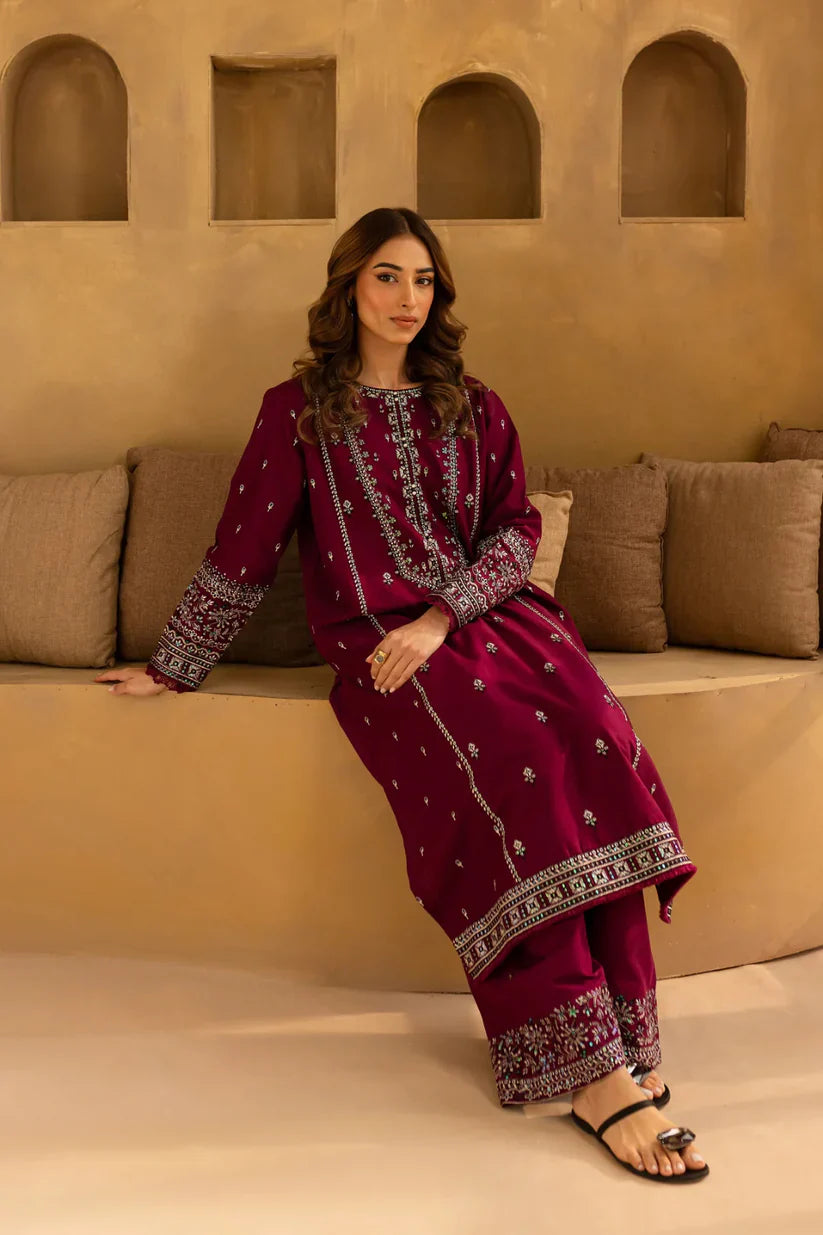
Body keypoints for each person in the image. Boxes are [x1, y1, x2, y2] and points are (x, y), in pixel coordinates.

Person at [96, 206, 708, 1183]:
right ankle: (586, 1071)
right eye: (387, 277)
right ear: (347, 288)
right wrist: (173, 665)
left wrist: (445, 615)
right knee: (512, 761)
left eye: (424, 281)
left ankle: (626, 1030)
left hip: (485, 624)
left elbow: (513, 533)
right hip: (378, 648)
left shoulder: (475, 406)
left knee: (592, 733)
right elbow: (243, 552)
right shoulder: (296, 414)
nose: (407, 300)